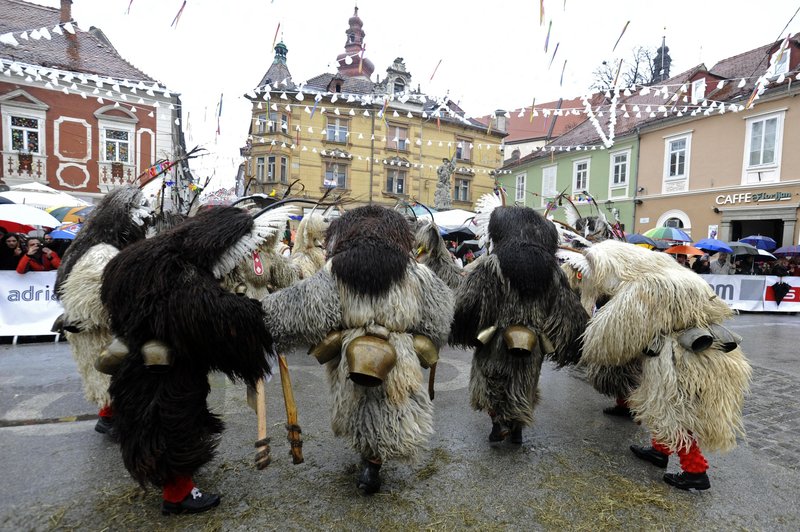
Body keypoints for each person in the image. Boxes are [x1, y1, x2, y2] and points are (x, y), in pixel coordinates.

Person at [101, 204, 296, 515]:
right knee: (173, 422)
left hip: (137, 362)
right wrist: (258, 315)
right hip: (166, 372)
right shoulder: (185, 278)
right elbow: (212, 315)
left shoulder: (140, 257)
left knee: (153, 424)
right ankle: (178, 495)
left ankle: (173, 481)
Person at [261, 206, 454, 494]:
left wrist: (261, 318)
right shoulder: (415, 273)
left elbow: (306, 307)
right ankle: (374, 461)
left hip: (351, 350)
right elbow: (439, 315)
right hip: (398, 353)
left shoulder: (335, 269)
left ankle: (368, 460)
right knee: (392, 405)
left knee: (358, 403)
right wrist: (430, 342)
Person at [578, 240, 752, 491]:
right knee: (664, 407)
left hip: (675, 357)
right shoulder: (684, 277)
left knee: (672, 411)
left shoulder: (646, 286)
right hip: (707, 350)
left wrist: (589, 344)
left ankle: (695, 471)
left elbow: (610, 339)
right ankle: (660, 451)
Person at [450, 198, 587, 445]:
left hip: (495, 339)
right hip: (532, 342)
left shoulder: (493, 263)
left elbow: (471, 301)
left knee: (491, 380)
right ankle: (517, 428)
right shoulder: (552, 269)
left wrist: (459, 326)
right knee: (523, 383)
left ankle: (497, 424)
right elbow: (567, 310)